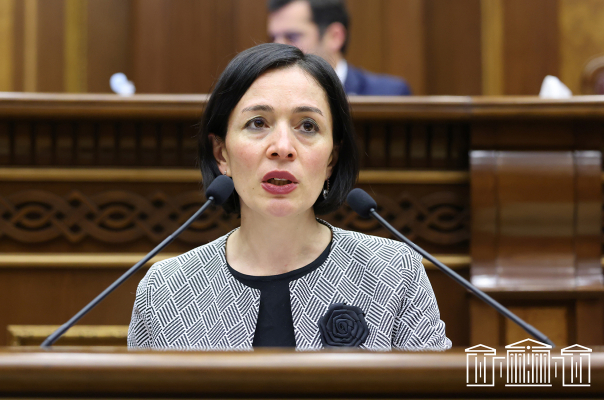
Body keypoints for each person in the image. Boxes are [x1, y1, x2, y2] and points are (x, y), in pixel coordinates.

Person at [127, 43, 450, 351]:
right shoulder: (166, 289)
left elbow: (450, 384)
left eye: (307, 126)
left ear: (332, 159)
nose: (282, 147)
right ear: (221, 153)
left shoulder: (394, 272)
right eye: (258, 123)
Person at [267, 0, 411, 96]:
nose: (278, 48)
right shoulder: (267, 94)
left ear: (334, 37)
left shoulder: (389, 94)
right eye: (273, 38)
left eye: (292, 37)